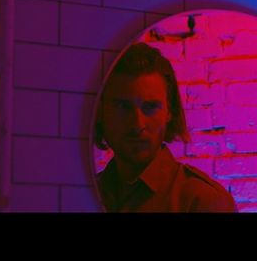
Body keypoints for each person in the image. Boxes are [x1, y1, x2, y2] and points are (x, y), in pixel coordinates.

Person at [94, 42, 237, 212]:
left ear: (169, 112)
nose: (137, 125)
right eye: (123, 106)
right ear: (101, 111)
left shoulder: (202, 200)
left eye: (150, 107)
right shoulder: (88, 189)